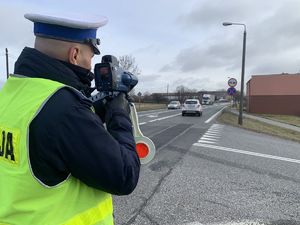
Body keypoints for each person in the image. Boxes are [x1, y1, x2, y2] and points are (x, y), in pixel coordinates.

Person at [0, 13, 140, 225]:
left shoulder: (11, 92)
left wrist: (92, 110)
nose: (90, 66)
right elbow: (124, 175)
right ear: (74, 54)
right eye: (90, 57)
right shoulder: (66, 109)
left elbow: (46, 139)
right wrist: (119, 115)